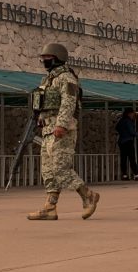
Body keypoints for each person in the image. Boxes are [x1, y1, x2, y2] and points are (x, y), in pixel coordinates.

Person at [27, 43, 100, 221]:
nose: (44, 61)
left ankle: (88, 195)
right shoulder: (47, 80)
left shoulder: (66, 78)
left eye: (47, 58)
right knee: (48, 170)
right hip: (47, 130)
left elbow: (69, 103)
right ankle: (50, 207)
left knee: (61, 168)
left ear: (57, 58)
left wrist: (62, 125)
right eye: (42, 58)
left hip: (62, 130)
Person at [116, 108, 138, 180]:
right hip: (128, 141)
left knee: (123, 159)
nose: (133, 115)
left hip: (121, 141)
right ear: (129, 113)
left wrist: (122, 132)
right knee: (132, 158)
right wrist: (137, 134)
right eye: (132, 114)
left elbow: (116, 127)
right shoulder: (128, 121)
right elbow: (131, 131)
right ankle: (136, 174)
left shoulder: (121, 121)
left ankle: (124, 175)